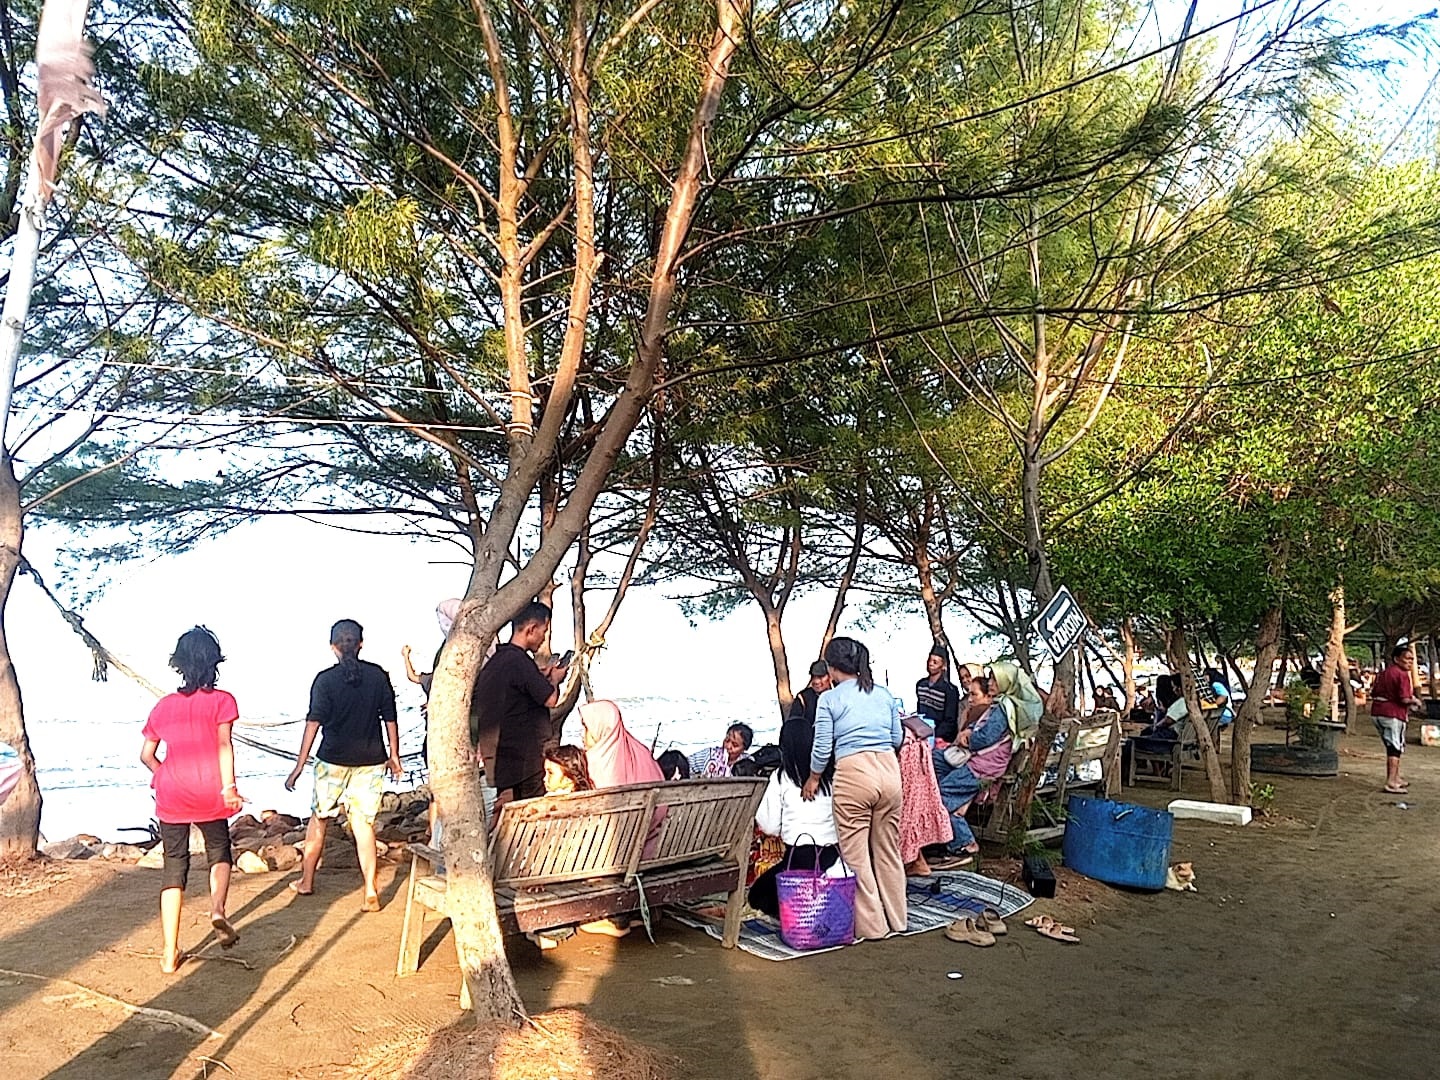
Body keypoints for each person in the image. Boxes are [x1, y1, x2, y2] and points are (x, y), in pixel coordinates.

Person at [139, 627, 244, 973]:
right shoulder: (222, 701)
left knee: (174, 865)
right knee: (219, 849)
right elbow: (224, 746)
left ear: (178, 665)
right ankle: (217, 909)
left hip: (172, 792)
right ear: (214, 662)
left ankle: (169, 953)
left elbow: (146, 754)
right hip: (209, 789)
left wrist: (161, 773)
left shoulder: (163, 707)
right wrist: (229, 787)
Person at [285, 619, 402, 911]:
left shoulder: (324, 680)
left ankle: (307, 882)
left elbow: (314, 723)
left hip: (332, 760)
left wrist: (300, 764)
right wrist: (395, 756)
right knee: (363, 825)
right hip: (372, 760)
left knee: (319, 819)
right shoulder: (378, 676)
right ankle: (371, 892)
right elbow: (390, 718)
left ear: (333, 647)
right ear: (360, 644)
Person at [804, 636, 906, 940]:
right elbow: (897, 738)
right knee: (888, 850)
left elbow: (822, 748)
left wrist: (813, 777)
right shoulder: (884, 694)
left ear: (832, 669)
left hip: (854, 773)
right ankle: (899, 920)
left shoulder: (830, 699)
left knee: (856, 855)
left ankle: (873, 927)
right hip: (889, 771)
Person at [931, 662, 1041, 869]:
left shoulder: (1003, 708)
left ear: (1004, 681)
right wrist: (969, 731)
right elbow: (981, 726)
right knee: (937, 762)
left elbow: (985, 737)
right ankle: (954, 817)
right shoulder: (1002, 705)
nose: (990, 682)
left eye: (993, 679)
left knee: (941, 795)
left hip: (983, 765)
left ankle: (964, 843)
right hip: (984, 762)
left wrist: (967, 737)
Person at [579, 699, 667, 938]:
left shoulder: (598, 764)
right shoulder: (639, 752)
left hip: (611, 857)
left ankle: (611, 917)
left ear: (601, 729)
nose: (582, 735)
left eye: (586, 728)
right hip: (651, 849)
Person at [471, 601, 570, 809]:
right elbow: (551, 699)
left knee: (508, 813)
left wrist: (539, 676)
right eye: (543, 631)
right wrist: (555, 679)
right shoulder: (519, 662)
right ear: (531, 629)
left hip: (500, 759)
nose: (543, 638)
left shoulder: (498, 661)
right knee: (530, 814)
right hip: (525, 761)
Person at [748, 716, 839, 917]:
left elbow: (770, 826)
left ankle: (796, 918)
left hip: (799, 858)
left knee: (757, 896)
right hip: (834, 854)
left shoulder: (781, 777)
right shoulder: (830, 774)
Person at [1371, 644, 1421, 794]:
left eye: (1412, 659)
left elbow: (1373, 692)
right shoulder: (1402, 674)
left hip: (1377, 712)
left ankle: (1396, 777)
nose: (1410, 662)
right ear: (1396, 659)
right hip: (1393, 714)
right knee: (1395, 747)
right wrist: (1415, 701)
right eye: (1407, 658)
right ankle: (1391, 782)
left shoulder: (1384, 673)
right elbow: (1404, 699)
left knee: (1392, 745)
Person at [916, 643, 961, 745]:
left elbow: (950, 720)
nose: (931, 664)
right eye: (930, 660)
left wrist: (936, 735)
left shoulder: (950, 690)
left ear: (943, 666)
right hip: (921, 733)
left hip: (939, 737)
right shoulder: (920, 685)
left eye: (935, 662)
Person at [689, 722, 754, 778]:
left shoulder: (746, 764)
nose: (728, 746)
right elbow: (687, 764)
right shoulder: (710, 755)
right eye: (727, 740)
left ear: (744, 749)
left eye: (735, 745)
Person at [789, 660, 833, 725]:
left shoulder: (839, 695)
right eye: (813, 677)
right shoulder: (802, 699)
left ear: (830, 677)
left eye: (820, 677)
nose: (816, 681)